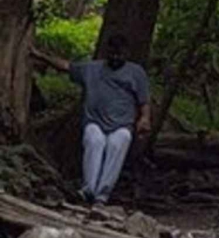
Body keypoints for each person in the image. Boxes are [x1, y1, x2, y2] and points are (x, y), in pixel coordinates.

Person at [31, 35, 150, 205]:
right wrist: (40, 55)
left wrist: (145, 118)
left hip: (122, 125)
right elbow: (66, 66)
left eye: (120, 55)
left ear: (126, 54)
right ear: (107, 52)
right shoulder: (92, 69)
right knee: (94, 141)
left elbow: (144, 100)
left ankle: (103, 193)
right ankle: (88, 189)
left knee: (118, 143)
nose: (115, 58)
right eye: (112, 54)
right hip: (95, 122)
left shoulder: (136, 72)